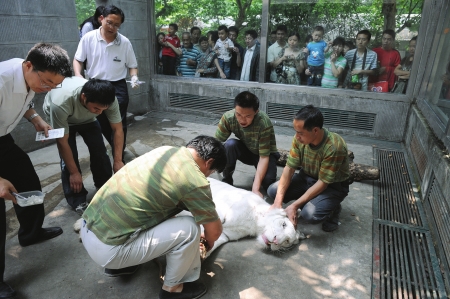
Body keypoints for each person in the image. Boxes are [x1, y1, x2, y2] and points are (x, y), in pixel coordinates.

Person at [80, 135, 226, 299]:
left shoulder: (165, 151)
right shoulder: (195, 180)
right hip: (108, 250)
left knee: (151, 210)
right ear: (209, 162)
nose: (208, 175)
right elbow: (214, 231)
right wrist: (207, 241)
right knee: (190, 227)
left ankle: (121, 267)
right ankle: (173, 289)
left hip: (88, 229)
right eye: (211, 172)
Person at [0, 42, 72, 298]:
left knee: (27, 181)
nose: (48, 89)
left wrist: (35, 117)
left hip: (3, 139)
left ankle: (30, 233)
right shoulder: (1, 80)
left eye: (55, 85)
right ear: (28, 66)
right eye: (47, 83)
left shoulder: (31, 74)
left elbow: (24, 99)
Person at [43, 77, 124, 215]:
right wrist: (75, 173)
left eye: (103, 110)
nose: (100, 112)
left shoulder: (109, 100)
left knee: (100, 152)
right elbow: (62, 142)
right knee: (70, 160)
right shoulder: (61, 103)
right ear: (83, 97)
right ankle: (77, 198)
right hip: (64, 119)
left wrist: (118, 160)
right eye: (97, 108)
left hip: (88, 119)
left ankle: (104, 187)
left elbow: (118, 130)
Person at [267, 105, 350, 232]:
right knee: (273, 191)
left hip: (332, 187)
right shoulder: (299, 139)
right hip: (306, 177)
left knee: (309, 214)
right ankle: (309, 198)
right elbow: (289, 168)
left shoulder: (334, 147)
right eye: (296, 131)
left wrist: (294, 206)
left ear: (315, 130)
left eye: (300, 133)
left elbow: (323, 183)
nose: (297, 136)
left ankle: (334, 208)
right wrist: (278, 202)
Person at [73, 5, 139, 161]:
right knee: (100, 119)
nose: (113, 27)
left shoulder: (124, 42)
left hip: (118, 86)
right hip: (96, 85)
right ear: (101, 19)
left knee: (119, 122)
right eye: (110, 22)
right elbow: (78, 59)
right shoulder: (89, 38)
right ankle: (115, 146)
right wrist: (78, 75)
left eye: (117, 25)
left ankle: (119, 154)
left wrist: (134, 77)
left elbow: (132, 65)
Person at [215, 91, 279, 197]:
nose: (242, 120)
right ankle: (227, 180)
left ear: (256, 112)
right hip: (246, 150)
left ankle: (260, 179)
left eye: (248, 116)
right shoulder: (228, 117)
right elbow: (216, 143)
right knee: (230, 145)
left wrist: (255, 188)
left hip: (265, 155)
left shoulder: (263, 122)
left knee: (268, 183)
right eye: (238, 114)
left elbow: (264, 157)